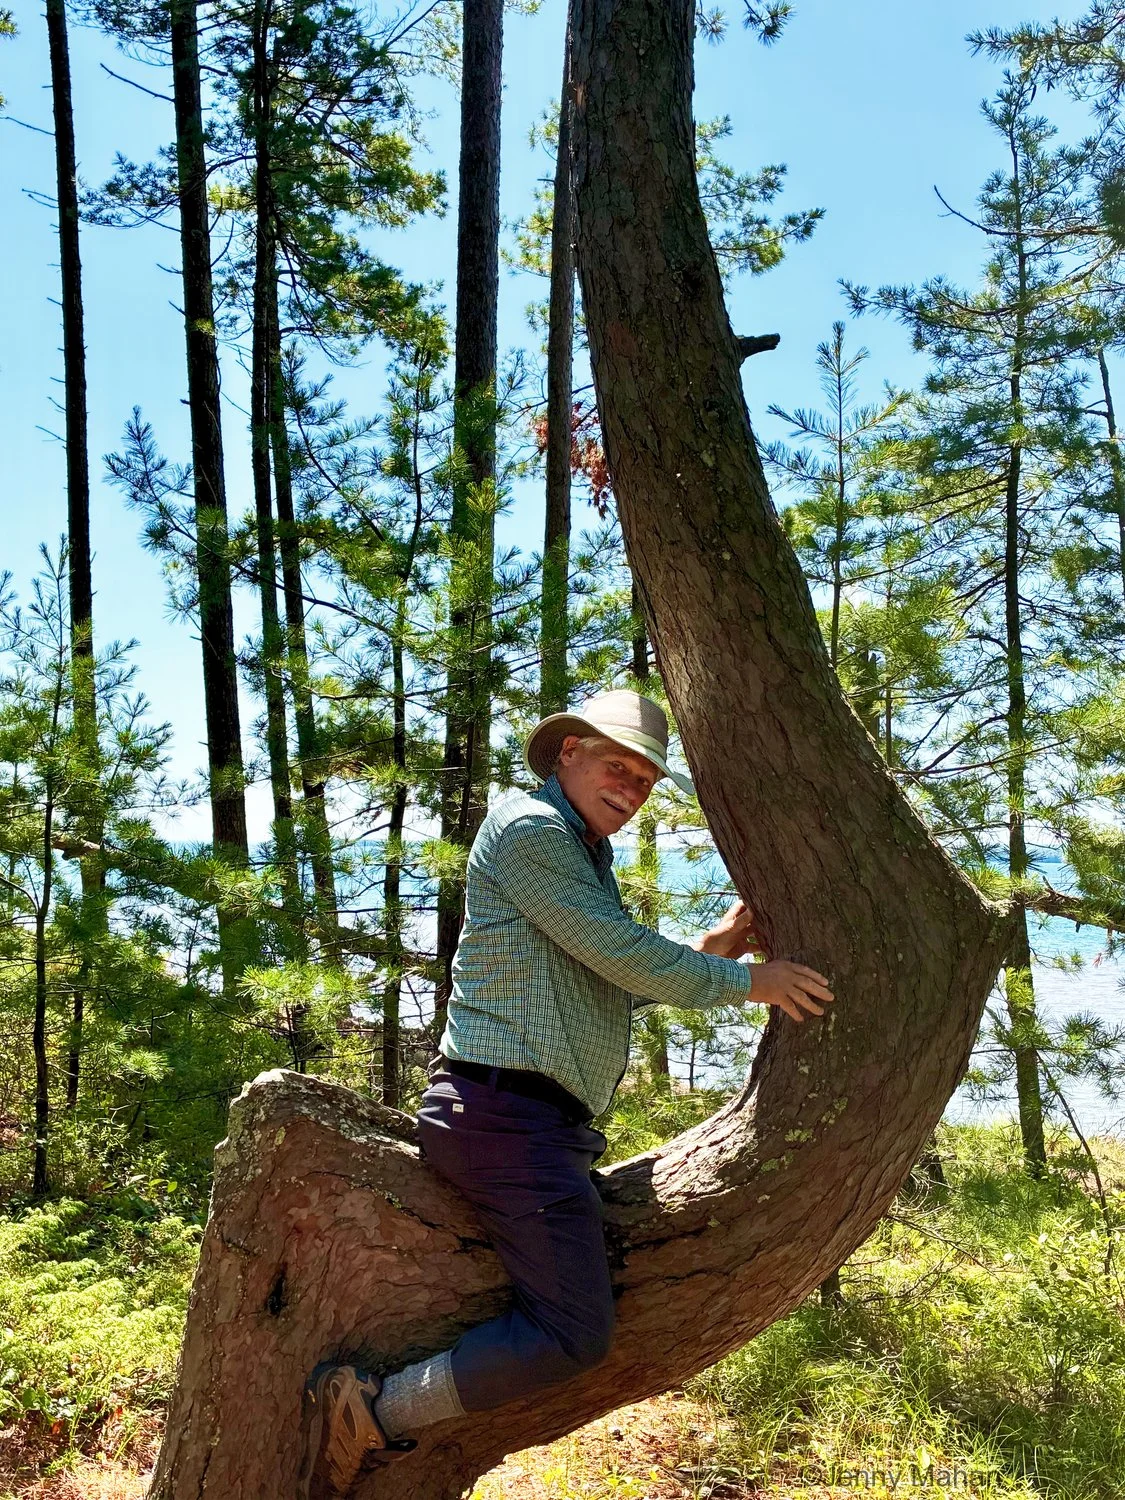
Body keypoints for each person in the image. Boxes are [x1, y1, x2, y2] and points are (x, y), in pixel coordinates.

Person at [298, 691, 834, 1498]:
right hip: (503, 1119)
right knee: (573, 1336)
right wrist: (747, 980)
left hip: (517, 1120)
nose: (631, 785)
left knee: (568, 1314)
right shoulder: (530, 830)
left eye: (646, 778)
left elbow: (596, 980)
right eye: (615, 764)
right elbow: (617, 952)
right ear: (565, 755)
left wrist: (708, 950)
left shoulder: (577, 850)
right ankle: (374, 1412)